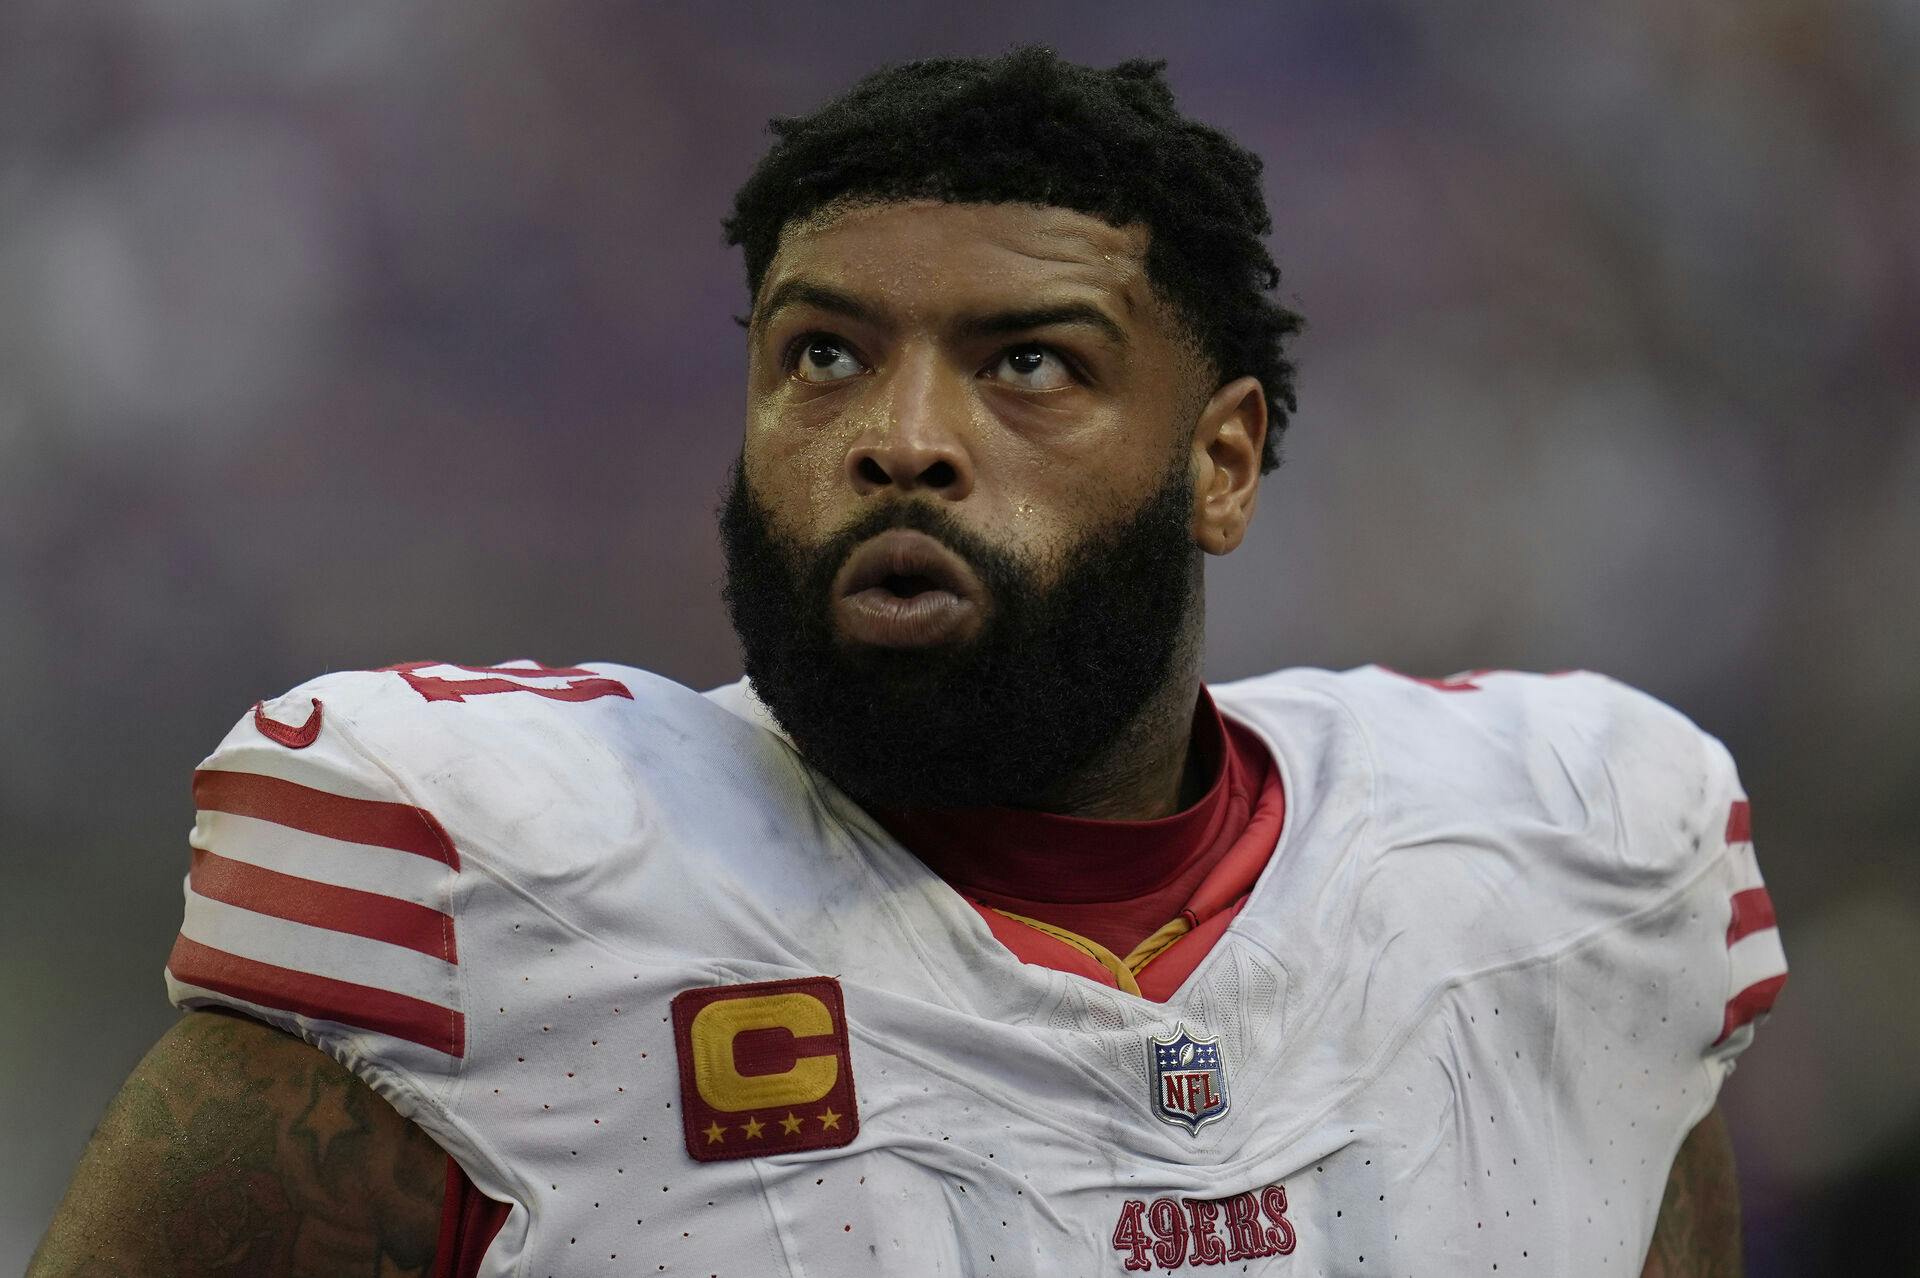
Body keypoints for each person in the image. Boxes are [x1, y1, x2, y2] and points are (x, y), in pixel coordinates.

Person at [31, 49, 1784, 1276]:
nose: (903, 436)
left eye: (1028, 363)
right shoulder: (483, 890)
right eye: (823, 356)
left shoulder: (1570, 874)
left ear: (1224, 460)